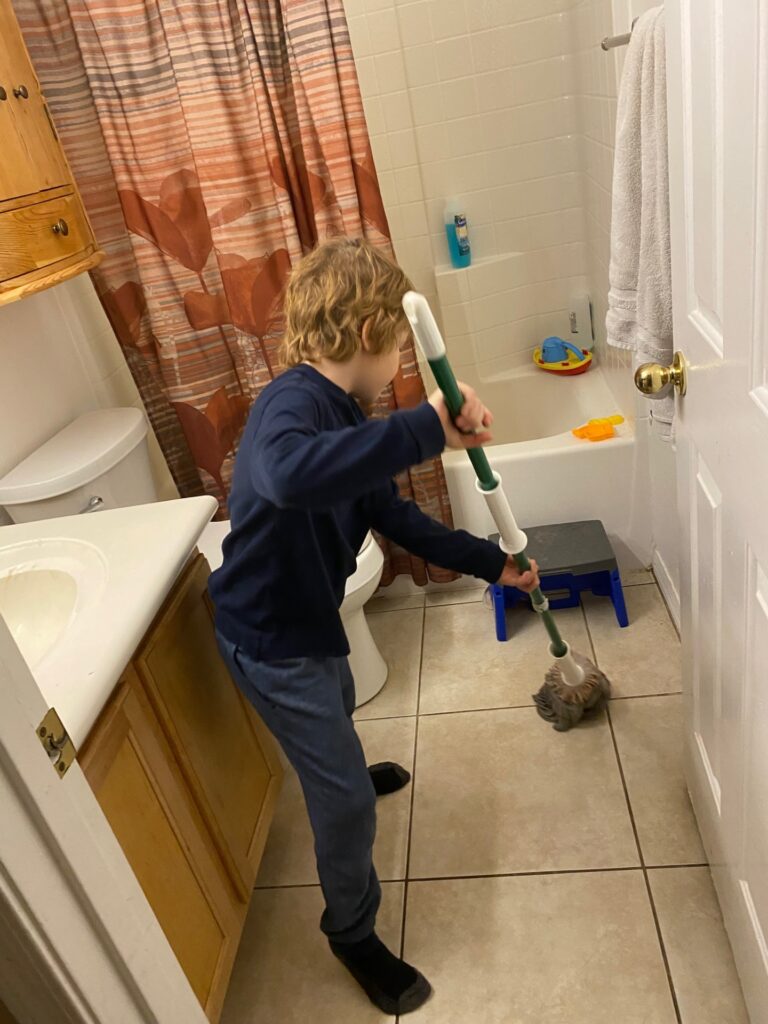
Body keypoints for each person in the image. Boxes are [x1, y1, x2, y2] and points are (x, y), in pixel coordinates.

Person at [209, 237, 539, 1016]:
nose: (400, 360)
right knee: (345, 806)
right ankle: (352, 934)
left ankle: (347, 771)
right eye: (398, 345)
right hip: (268, 637)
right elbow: (288, 475)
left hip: (306, 619)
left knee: (343, 709)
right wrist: (428, 427)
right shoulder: (289, 403)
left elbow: (389, 513)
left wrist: (493, 563)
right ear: (368, 336)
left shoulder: (347, 411)